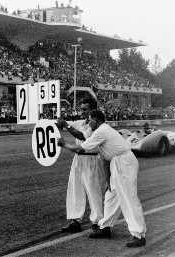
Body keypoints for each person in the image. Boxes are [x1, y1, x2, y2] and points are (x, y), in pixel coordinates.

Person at [58, 110, 147, 248]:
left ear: (95, 120)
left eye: (89, 120)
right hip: (117, 162)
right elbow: (105, 157)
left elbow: (80, 149)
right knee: (111, 195)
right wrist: (108, 178)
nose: (88, 123)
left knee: (129, 197)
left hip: (124, 163)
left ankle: (139, 235)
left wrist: (64, 144)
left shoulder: (101, 131)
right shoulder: (101, 131)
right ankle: (105, 228)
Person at [56, 98, 106, 233]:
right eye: (82, 109)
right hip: (78, 159)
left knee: (93, 191)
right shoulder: (79, 122)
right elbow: (64, 125)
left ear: (93, 110)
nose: (82, 112)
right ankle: (75, 220)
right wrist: (57, 122)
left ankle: (97, 222)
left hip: (92, 159)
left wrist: (66, 125)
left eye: (85, 109)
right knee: (75, 189)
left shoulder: (96, 126)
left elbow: (80, 135)